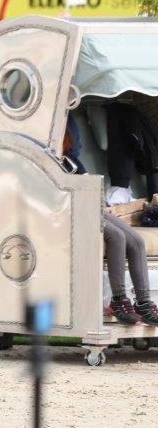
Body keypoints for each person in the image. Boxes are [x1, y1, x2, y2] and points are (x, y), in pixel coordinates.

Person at [61, 118, 158, 325]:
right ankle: (119, 300)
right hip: (69, 212)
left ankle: (143, 303)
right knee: (116, 236)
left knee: (137, 241)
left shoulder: (70, 160)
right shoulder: (45, 163)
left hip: (91, 207)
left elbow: (90, 187)